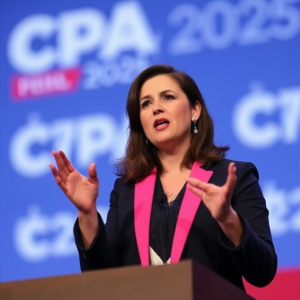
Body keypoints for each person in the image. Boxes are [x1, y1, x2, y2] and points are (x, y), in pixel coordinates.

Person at [49, 65, 277, 291]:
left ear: (195, 110)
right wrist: (87, 215)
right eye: (146, 104)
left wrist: (229, 220)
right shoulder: (126, 190)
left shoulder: (233, 177)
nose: (156, 108)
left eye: (167, 97)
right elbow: (104, 281)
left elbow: (263, 271)